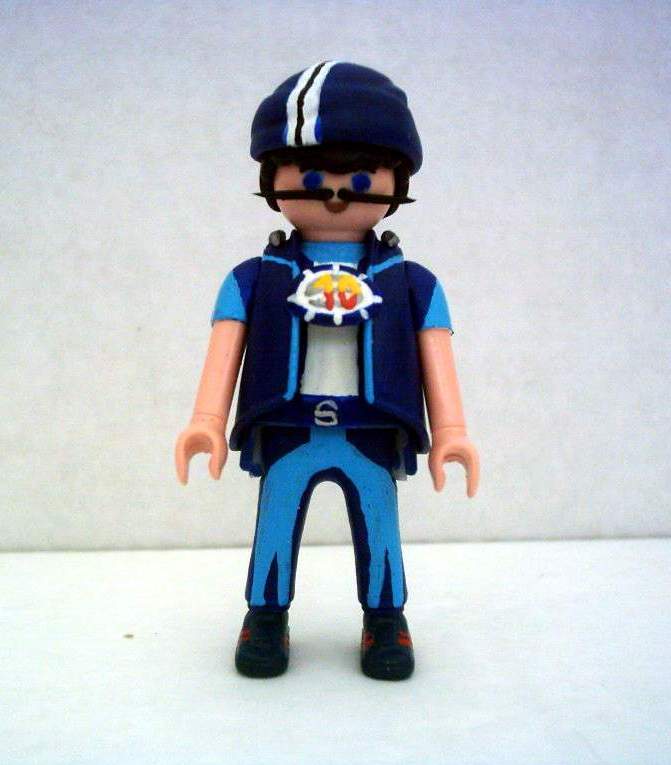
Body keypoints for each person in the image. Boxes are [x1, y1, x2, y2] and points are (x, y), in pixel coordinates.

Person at [175, 61, 479, 680]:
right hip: (288, 426)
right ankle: (265, 616)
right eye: (312, 178)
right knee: (276, 519)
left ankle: (385, 618)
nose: (337, 194)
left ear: (396, 183)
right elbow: (225, 348)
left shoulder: (414, 284)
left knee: (380, 524)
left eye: (361, 179)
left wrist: (452, 432)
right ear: (272, 181)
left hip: (372, 429)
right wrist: (206, 419)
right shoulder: (253, 278)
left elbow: (436, 356)